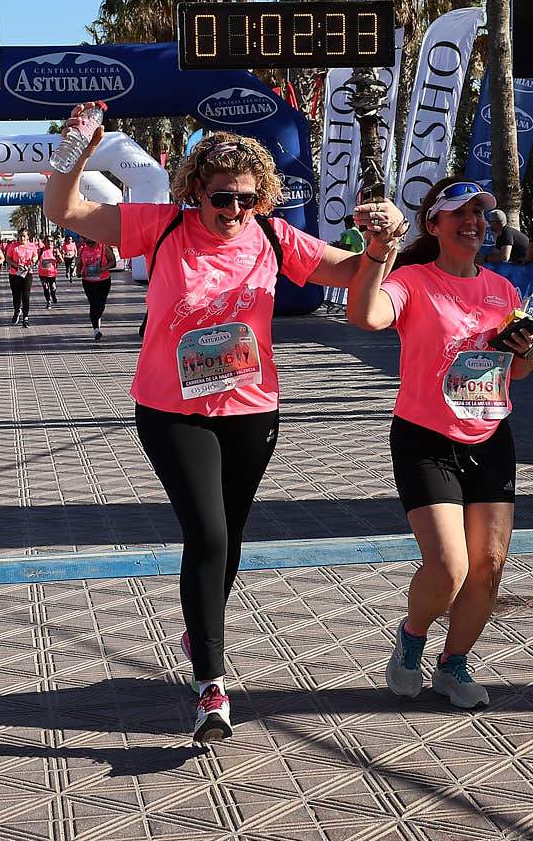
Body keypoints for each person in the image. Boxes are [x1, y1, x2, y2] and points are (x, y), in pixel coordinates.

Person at [45, 122, 399, 742]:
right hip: (172, 410)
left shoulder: (273, 235)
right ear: (194, 192)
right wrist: (76, 150)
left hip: (252, 410)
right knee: (206, 533)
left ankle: (199, 623)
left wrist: (381, 244)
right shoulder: (160, 227)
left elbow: (349, 273)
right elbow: (65, 210)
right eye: (221, 197)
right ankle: (210, 680)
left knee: (228, 538)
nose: (234, 210)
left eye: (246, 198)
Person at [350, 178, 533, 710]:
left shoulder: (503, 290)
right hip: (425, 438)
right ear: (433, 224)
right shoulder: (412, 281)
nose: (473, 222)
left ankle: (453, 665)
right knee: (450, 565)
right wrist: (376, 252)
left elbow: (519, 372)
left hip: (491, 436)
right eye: (459, 213)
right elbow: (366, 316)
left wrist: (524, 350)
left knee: (489, 566)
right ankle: (413, 635)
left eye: (479, 213)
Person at [78, 233, 118, 339]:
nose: (90, 244)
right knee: (93, 303)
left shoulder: (103, 248)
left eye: (92, 242)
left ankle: (98, 316)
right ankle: (96, 329)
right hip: (88, 281)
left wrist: (103, 268)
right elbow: (79, 263)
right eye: (87, 242)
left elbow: (113, 261)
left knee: (101, 304)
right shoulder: (82, 249)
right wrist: (78, 272)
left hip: (103, 281)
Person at [5, 229, 40, 327]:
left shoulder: (32, 246)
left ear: (28, 237)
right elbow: (8, 258)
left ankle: (25, 317)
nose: (22, 238)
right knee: (16, 295)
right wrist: (17, 265)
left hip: (27, 272)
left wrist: (33, 260)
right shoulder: (13, 246)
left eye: (24, 236)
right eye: (20, 236)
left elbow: (35, 256)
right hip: (15, 273)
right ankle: (17, 311)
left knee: (26, 295)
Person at [37, 240, 60, 308]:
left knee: (53, 288)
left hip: (52, 273)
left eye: (51, 241)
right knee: (45, 288)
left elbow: (61, 260)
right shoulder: (41, 250)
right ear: (45, 242)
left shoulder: (55, 250)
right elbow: (36, 257)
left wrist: (58, 258)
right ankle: (48, 301)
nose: (49, 242)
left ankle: (53, 295)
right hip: (42, 273)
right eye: (48, 241)